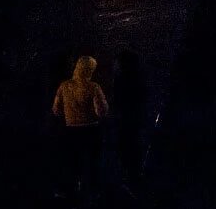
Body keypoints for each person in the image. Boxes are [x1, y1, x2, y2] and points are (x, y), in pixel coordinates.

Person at [52, 55, 110, 198]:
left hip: (70, 130)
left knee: (72, 164)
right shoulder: (94, 87)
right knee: (92, 164)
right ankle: (92, 195)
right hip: (91, 131)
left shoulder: (64, 86)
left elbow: (56, 110)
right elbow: (101, 111)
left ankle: (70, 194)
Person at [113, 50, 147, 190]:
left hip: (126, 119)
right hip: (135, 119)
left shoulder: (121, 80)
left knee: (126, 146)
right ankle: (134, 177)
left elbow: (117, 101)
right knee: (133, 145)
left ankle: (129, 178)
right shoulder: (139, 79)